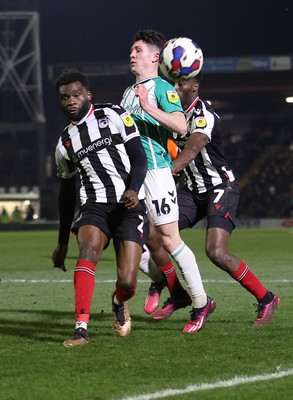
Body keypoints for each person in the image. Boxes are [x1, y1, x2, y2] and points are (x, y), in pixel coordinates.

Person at [121, 29, 215, 332]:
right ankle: (165, 284)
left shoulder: (162, 88)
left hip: (158, 173)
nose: (132, 54)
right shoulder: (126, 93)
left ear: (154, 56)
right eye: (132, 50)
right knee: (130, 240)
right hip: (133, 176)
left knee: (170, 240)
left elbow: (178, 124)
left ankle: (201, 304)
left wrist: (149, 106)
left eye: (138, 50)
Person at [169, 72, 280, 326]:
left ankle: (267, 299)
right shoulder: (174, 117)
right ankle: (177, 295)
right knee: (157, 234)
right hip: (191, 190)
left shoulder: (204, 115)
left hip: (221, 186)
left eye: (181, 82)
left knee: (216, 252)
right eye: (173, 82)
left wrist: (167, 172)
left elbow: (192, 149)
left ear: (195, 87)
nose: (175, 87)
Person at [52, 70, 148, 347]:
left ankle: (118, 301)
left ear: (88, 95)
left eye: (76, 94)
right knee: (87, 252)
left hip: (128, 204)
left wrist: (134, 188)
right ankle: (81, 328)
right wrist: (61, 243)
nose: (71, 100)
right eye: (65, 97)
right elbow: (66, 195)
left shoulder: (114, 114)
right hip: (94, 206)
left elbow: (138, 158)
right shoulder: (64, 144)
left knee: (128, 282)